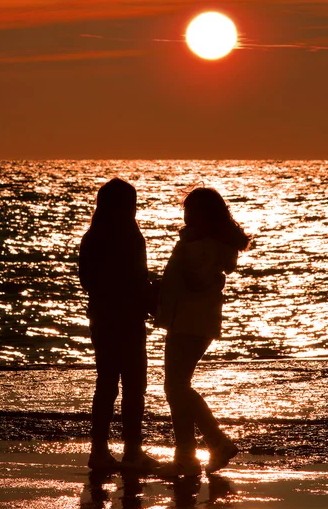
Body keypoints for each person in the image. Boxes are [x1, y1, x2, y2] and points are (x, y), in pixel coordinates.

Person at [156, 187, 250, 477]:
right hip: (195, 321)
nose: (185, 214)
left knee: (177, 387)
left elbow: (194, 281)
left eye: (191, 209)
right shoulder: (208, 243)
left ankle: (213, 442)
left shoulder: (200, 245)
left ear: (205, 214)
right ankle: (187, 455)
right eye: (185, 207)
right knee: (177, 387)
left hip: (189, 321)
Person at [79, 178, 159, 471]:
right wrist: (154, 297)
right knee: (134, 386)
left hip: (101, 319)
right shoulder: (131, 236)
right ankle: (132, 451)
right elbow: (138, 280)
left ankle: (99, 450)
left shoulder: (91, 237)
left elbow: (86, 281)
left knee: (106, 385)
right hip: (127, 320)